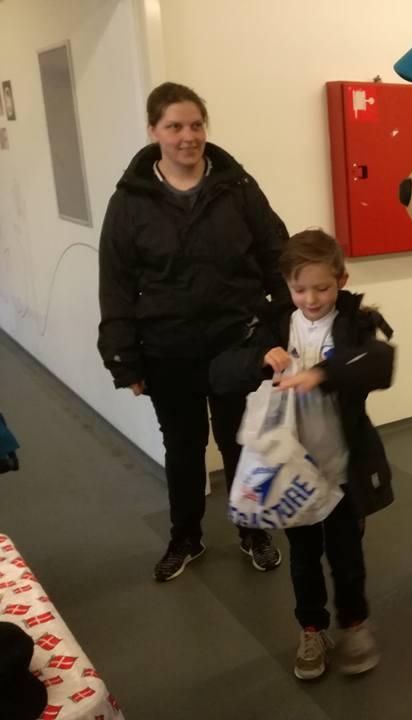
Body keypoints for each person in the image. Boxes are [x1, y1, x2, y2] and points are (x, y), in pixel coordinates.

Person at [97, 82, 290, 582]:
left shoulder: (238, 188)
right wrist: (123, 356)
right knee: (183, 449)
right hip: (168, 349)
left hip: (235, 343)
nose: (188, 136)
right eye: (175, 126)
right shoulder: (130, 202)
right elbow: (115, 284)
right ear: (153, 131)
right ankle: (186, 537)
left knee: (239, 442)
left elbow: (276, 256)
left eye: (196, 125)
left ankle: (253, 530)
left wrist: (282, 327)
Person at [210, 229, 395, 680]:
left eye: (322, 288)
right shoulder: (273, 325)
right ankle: (311, 629)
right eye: (300, 289)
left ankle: (355, 624)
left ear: (341, 280)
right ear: (287, 285)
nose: (311, 299)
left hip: (340, 468)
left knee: (347, 557)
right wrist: (259, 359)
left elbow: (379, 363)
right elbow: (221, 372)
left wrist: (323, 373)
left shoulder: (354, 323)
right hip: (292, 472)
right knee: (304, 556)